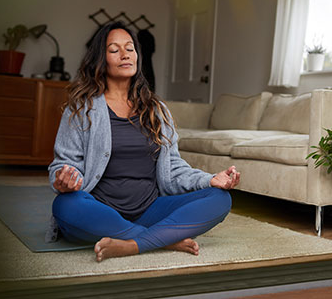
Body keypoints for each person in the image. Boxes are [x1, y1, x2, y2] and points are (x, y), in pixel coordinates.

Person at [48, 21, 240, 262]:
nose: (125, 54)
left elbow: (174, 168)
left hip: (150, 210)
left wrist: (209, 179)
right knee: (65, 205)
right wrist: (65, 180)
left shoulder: (157, 109)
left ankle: (131, 244)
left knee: (219, 198)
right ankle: (164, 240)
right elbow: (63, 164)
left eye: (129, 48)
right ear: (101, 58)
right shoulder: (81, 108)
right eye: (114, 49)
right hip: (101, 210)